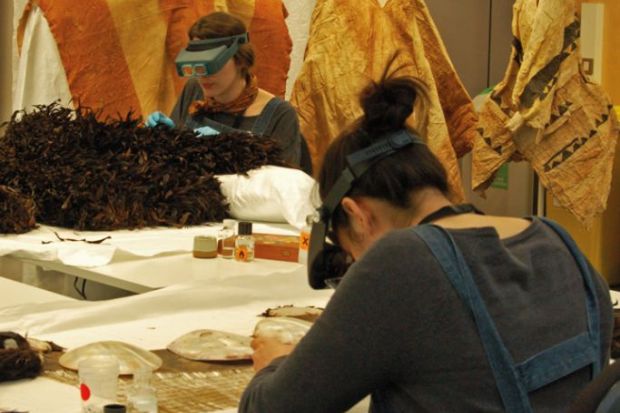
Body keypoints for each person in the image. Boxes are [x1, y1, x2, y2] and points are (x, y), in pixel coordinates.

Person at [238, 70, 614, 412]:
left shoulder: (402, 261)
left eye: (351, 252)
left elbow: (272, 409)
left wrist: (275, 363)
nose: (355, 267)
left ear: (358, 215)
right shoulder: (559, 243)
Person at [146, 12, 307, 170]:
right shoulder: (194, 89)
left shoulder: (279, 115)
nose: (204, 75)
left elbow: (284, 189)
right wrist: (165, 138)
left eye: (212, 64)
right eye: (197, 65)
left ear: (241, 60)